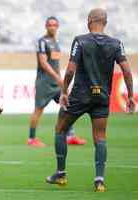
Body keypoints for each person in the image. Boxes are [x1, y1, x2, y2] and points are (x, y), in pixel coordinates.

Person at [46, 8, 135, 192]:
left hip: (80, 95)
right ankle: (99, 180)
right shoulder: (116, 43)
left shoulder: (80, 41)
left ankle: (61, 174)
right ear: (105, 22)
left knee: (60, 129)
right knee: (100, 137)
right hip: (102, 97)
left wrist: (64, 92)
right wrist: (131, 96)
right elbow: (126, 70)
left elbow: (70, 70)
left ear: (89, 21)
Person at [28, 16, 86, 147]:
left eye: (54, 25)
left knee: (68, 105)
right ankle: (31, 138)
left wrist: (62, 81)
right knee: (38, 110)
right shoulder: (42, 42)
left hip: (56, 83)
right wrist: (57, 77)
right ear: (46, 26)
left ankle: (70, 136)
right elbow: (43, 63)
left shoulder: (56, 43)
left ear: (57, 27)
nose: (52, 27)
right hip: (44, 83)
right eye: (50, 25)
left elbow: (56, 64)